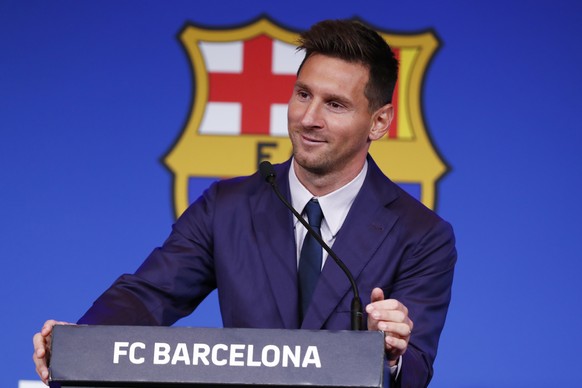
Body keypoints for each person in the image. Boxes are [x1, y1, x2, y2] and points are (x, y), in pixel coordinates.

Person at [33, 19, 456, 387]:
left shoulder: (421, 235)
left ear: (379, 122)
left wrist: (395, 356)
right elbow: (149, 296)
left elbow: (415, 368)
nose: (308, 118)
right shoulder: (227, 206)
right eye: (303, 94)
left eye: (335, 104)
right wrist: (82, 340)